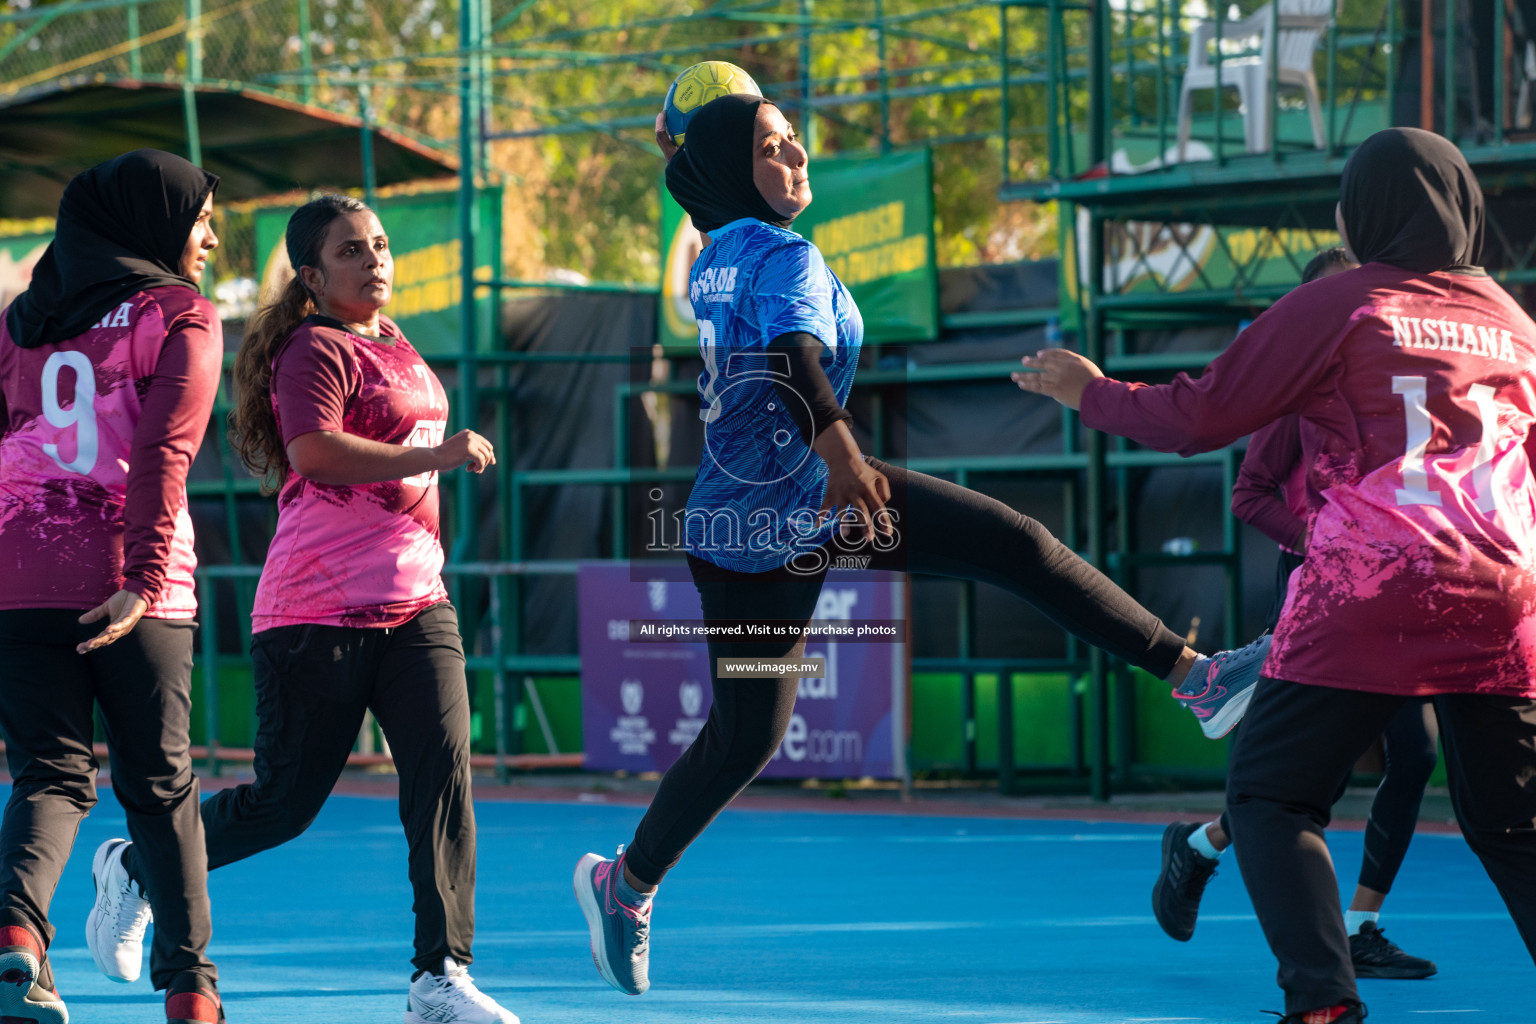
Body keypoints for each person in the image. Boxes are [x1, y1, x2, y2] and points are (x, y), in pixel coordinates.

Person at [572, 93, 1275, 998]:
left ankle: (1197, 677)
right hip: (786, 515)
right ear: (727, 171)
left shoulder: (720, 252)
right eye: (769, 147)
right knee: (749, 736)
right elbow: (791, 358)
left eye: (793, 139)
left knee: (1011, 545)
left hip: (764, 513)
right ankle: (622, 884)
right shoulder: (778, 251)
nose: (795, 156)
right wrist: (848, 459)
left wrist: (703, 147)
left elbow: (771, 334)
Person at [1016, 127, 1536, 1024]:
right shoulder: (1515, 323)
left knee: (1269, 794)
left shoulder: (1346, 303)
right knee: (1516, 824)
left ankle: (1323, 1001)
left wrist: (1088, 391)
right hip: (1506, 592)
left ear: (1364, 211)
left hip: (1375, 582)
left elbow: (1203, 411)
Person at [88, 194, 516, 1024]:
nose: (376, 260)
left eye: (382, 245)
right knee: (283, 805)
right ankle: (138, 868)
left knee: (442, 783)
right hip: (315, 613)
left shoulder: (393, 341)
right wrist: (439, 449)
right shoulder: (312, 349)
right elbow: (313, 451)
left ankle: (440, 977)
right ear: (313, 278)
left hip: (418, 609)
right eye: (353, 251)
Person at [1152, 247, 1440, 981]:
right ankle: (1203, 847)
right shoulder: (1299, 392)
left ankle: (1360, 922)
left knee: (1414, 752)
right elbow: (1248, 494)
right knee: (1316, 772)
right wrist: (1318, 537)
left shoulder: (1387, 381)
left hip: (1392, 592)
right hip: (1317, 589)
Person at [0, 149, 226, 1024]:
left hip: (20, 572)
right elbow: (163, 456)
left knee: (49, 776)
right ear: (153, 220)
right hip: (136, 582)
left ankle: (17, 940)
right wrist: (139, 578)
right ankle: (192, 995)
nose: (208, 237)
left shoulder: (22, 321)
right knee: (162, 791)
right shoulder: (179, 315)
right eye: (201, 219)